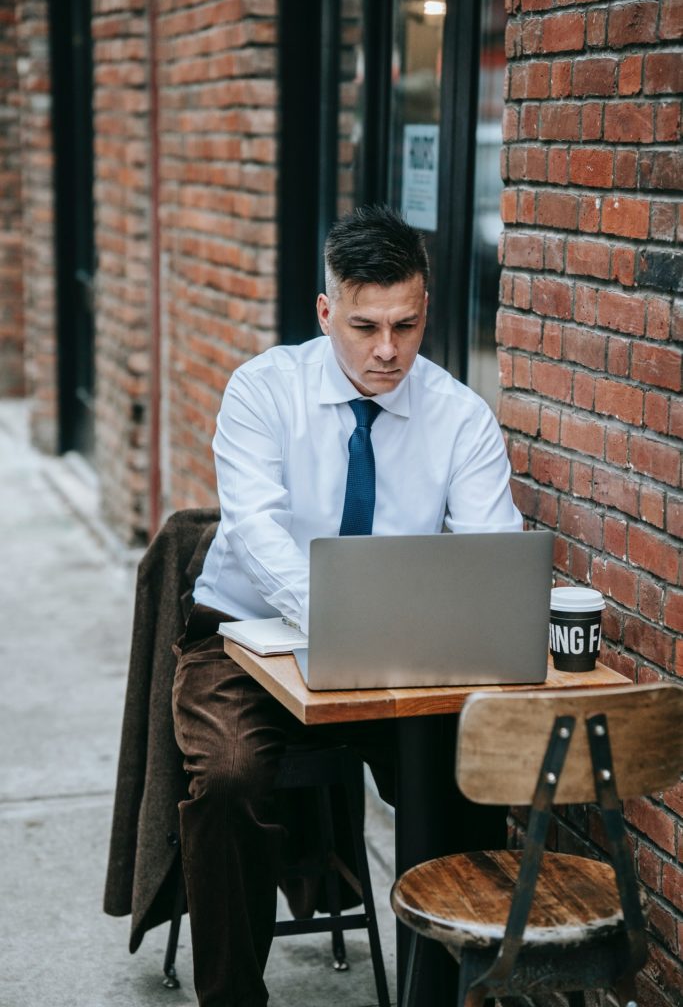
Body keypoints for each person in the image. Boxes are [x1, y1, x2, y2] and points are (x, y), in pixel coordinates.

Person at [172, 204, 522, 1006]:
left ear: (425, 305)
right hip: (243, 637)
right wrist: (334, 617)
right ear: (325, 312)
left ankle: (445, 991)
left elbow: (490, 554)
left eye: (405, 323)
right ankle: (231, 999)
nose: (387, 350)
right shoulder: (263, 391)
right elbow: (258, 534)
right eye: (363, 326)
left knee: (470, 771)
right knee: (227, 777)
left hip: (400, 651)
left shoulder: (459, 417)